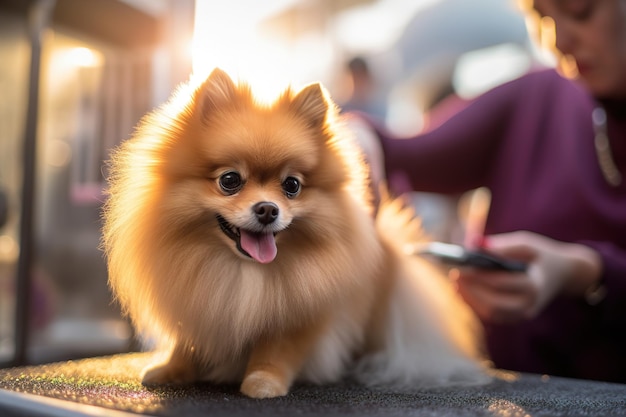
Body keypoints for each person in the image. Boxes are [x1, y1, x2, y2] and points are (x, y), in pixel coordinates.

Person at [353, 0, 626, 383]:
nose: (559, 40)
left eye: (578, 10)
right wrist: (358, 138)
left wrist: (585, 272)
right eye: (542, 18)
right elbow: (406, 150)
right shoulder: (537, 94)